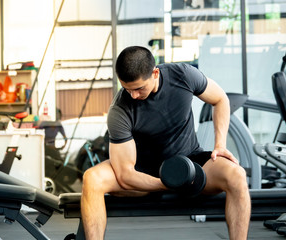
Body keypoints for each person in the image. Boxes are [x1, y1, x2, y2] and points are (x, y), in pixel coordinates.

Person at [81, 46, 251, 240]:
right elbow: (124, 174)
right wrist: (167, 183)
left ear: (155, 73)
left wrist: (220, 145)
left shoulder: (183, 75)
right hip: (143, 173)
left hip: (190, 163)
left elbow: (220, 99)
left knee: (237, 175)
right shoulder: (120, 110)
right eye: (127, 89)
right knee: (92, 179)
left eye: (138, 88)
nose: (133, 96)